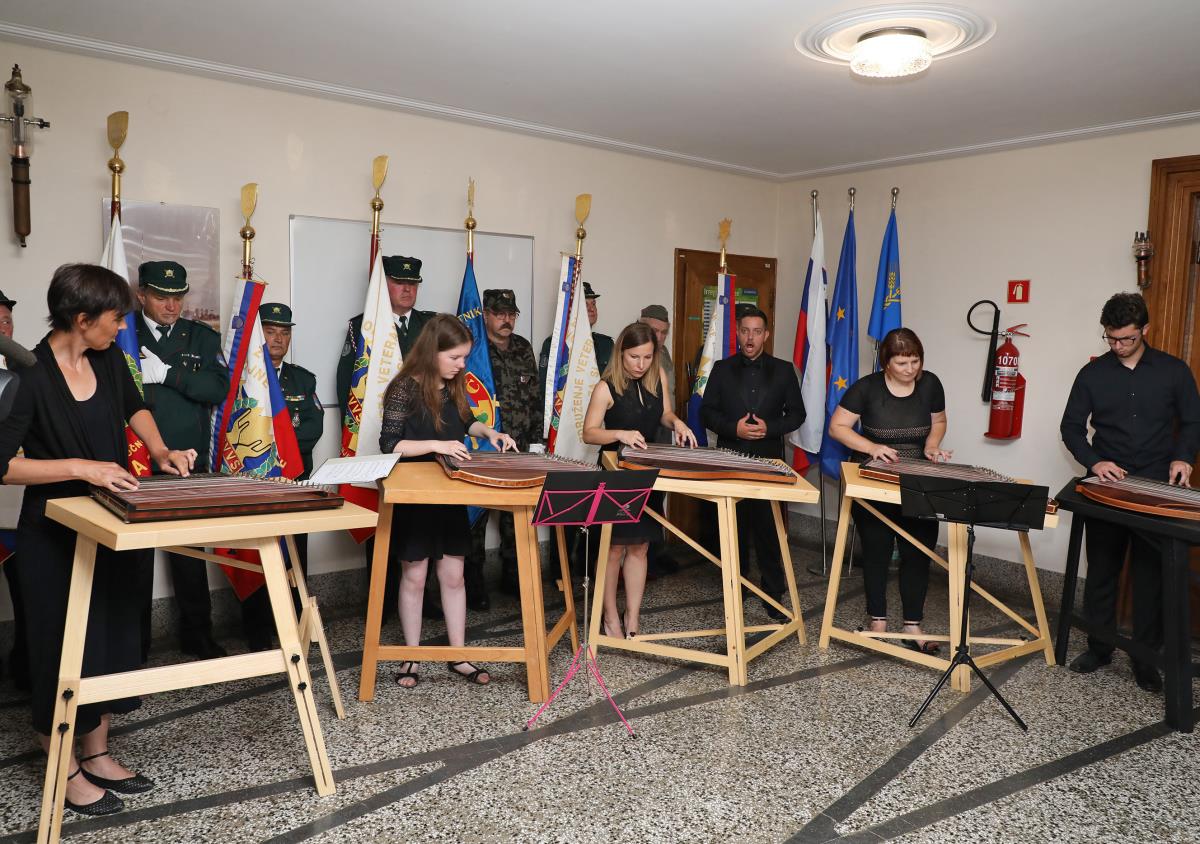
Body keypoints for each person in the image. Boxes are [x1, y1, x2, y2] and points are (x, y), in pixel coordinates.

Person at [0, 263, 195, 816]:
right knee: (61, 648)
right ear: (82, 319)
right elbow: (4, 466)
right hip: (53, 534)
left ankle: (98, 752)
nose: (121, 327)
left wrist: (160, 450)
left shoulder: (108, 360)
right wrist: (81, 467)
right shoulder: (29, 376)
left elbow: (136, 406)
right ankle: (62, 768)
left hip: (112, 523)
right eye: (115, 318)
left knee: (110, 637)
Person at [1060, 291, 1200, 693]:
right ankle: (1099, 648)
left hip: (1156, 483)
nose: (1118, 346)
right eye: (1111, 338)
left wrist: (1183, 458)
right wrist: (1094, 462)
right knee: (1102, 569)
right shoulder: (1092, 374)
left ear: (1145, 330)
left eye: (1127, 339)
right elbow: (1071, 427)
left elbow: (1193, 422)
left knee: (1150, 575)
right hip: (1109, 485)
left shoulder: (1173, 371)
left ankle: (1145, 659)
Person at [379, 314, 515, 688]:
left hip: (450, 492)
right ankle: (411, 656)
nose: (461, 364)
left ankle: (459, 654)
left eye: (465, 357)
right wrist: (436, 445)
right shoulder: (404, 388)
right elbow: (390, 444)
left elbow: (467, 421)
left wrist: (489, 432)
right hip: (415, 495)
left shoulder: (455, 384)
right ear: (432, 351)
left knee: (454, 576)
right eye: (455, 357)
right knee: (415, 575)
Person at [828, 328, 949, 653]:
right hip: (874, 481)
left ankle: (913, 625)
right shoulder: (866, 388)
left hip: (917, 481)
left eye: (915, 361)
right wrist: (872, 447)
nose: (910, 369)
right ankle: (878, 621)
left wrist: (932, 445)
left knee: (918, 552)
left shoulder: (931, 384)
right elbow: (837, 427)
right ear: (886, 363)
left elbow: (938, 421)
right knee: (877, 550)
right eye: (902, 363)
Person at [136, 261, 231, 660]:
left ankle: (198, 635)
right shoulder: (123, 332)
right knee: (134, 557)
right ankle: (134, 643)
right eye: (162, 297)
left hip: (186, 460)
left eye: (178, 297)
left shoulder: (201, 337)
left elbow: (217, 388)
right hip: (135, 461)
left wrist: (169, 375)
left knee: (189, 555)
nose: (171, 306)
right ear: (141, 295)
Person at [337, 255, 434, 623]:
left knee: (422, 519)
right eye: (398, 282)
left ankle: (423, 597)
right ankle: (381, 597)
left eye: (413, 283)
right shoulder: (363, 325)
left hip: (422, 438)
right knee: (380, 518)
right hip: (377, 436)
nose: (407, 289)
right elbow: (348, 383)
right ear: (384, 284)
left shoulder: (429, 326)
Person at [583, 322, 696, 638]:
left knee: (640, 547)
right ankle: (610, 618)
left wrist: (678, 423)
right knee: (613, 549)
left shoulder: (657, 377)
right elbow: (589, 433)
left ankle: (632, 617)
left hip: (645, 470)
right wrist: (619, 433)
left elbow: (664, 414)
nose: (641, 364)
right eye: (634, 357)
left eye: (647, 357)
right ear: (621, 353)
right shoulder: (605, 387)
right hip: (615, 472)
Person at [700, 307, 804, 620]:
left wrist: (769, 428)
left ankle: (774, 596)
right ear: (737, 332)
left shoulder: (784, 370)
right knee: (734, 529)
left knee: (769, 531)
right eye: (745, 330)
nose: (750, 337)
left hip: (769, 461)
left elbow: (797, 414)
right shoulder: (721, 369)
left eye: (757, 332)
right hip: (730, 459)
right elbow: (706, 412)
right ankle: (736, 588)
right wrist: (734, 429)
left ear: (766, 335)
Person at [240, 303, 324, 651]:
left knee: (295, 555)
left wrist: (279, 453)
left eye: (284, 332)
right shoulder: (241, 377)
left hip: (294, 478)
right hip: (254, 480)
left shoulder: (302, 379)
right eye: (270, 331)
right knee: (255, 553)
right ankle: (257, 630)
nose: (278, 338)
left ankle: (291, 624)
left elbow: (312, 428)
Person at [467, 289, 543, 608]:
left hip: (519, 448)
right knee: (477, 517)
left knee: (517, 517)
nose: (506, 320)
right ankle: (473, 584)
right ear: (485, 314)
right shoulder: (473, 350)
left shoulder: (523, 347)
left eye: (511, 314)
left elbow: (535, 399)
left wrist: (536, 443)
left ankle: (514, 577)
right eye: (499, 314)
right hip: (482, 447)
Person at [0, 288, 29, 688]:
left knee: (26, 592)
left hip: (18, 504)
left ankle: (26, 665)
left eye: (7, 321)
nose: (3, 329)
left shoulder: (27, 370)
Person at [638, 304, 679, 576]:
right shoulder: (634, 352)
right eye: (654, 330)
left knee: (657, 496)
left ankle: (656, 552)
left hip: (663, 435)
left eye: (664, 332)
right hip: (642, 437)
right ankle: (644, 557)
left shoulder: (663, 354)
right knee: (642, 499)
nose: (659, 337)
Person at [539, 281, 613, 394]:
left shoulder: (606, 345)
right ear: (571, 310)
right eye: (585, 305)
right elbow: (546, 388)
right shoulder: (555, 344)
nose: (591, 309)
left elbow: (615, 384)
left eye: (593, 304)